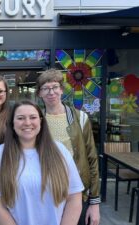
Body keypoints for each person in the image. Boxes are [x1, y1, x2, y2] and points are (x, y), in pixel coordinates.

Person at [0, 100, 84, 225]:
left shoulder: (60, 151)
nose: (27, 123)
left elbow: (74, 197)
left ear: (41, 121)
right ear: (12, 123)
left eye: (33, 117)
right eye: (21, 118)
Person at [36, 68, 100, 225]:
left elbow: (92, 159)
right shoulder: (36, 121)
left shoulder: (80, 118)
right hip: (47, 193)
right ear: (39, 93)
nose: (51, 92)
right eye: (45, 88)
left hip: (76, 191)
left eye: (55, 87)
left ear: (62, 90)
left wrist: (95, 202)